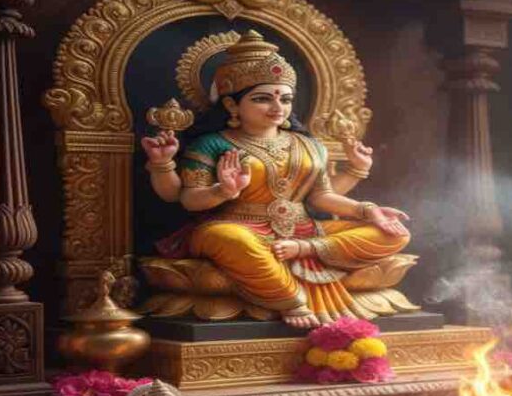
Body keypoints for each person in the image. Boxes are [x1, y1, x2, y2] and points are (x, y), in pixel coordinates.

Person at [138, 31, 409, 328]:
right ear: (231, 105)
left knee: (394, 233)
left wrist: (368, 210)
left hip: (303, 231)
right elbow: (188, 199)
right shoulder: (212, 144)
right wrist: (223, 191)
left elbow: (320, 198)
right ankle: (290, 299)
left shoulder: (308, 145)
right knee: (227, 238)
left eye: (286, 99)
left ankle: (305, 254)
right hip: (237, 228)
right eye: (262, 99)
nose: (278, 107)